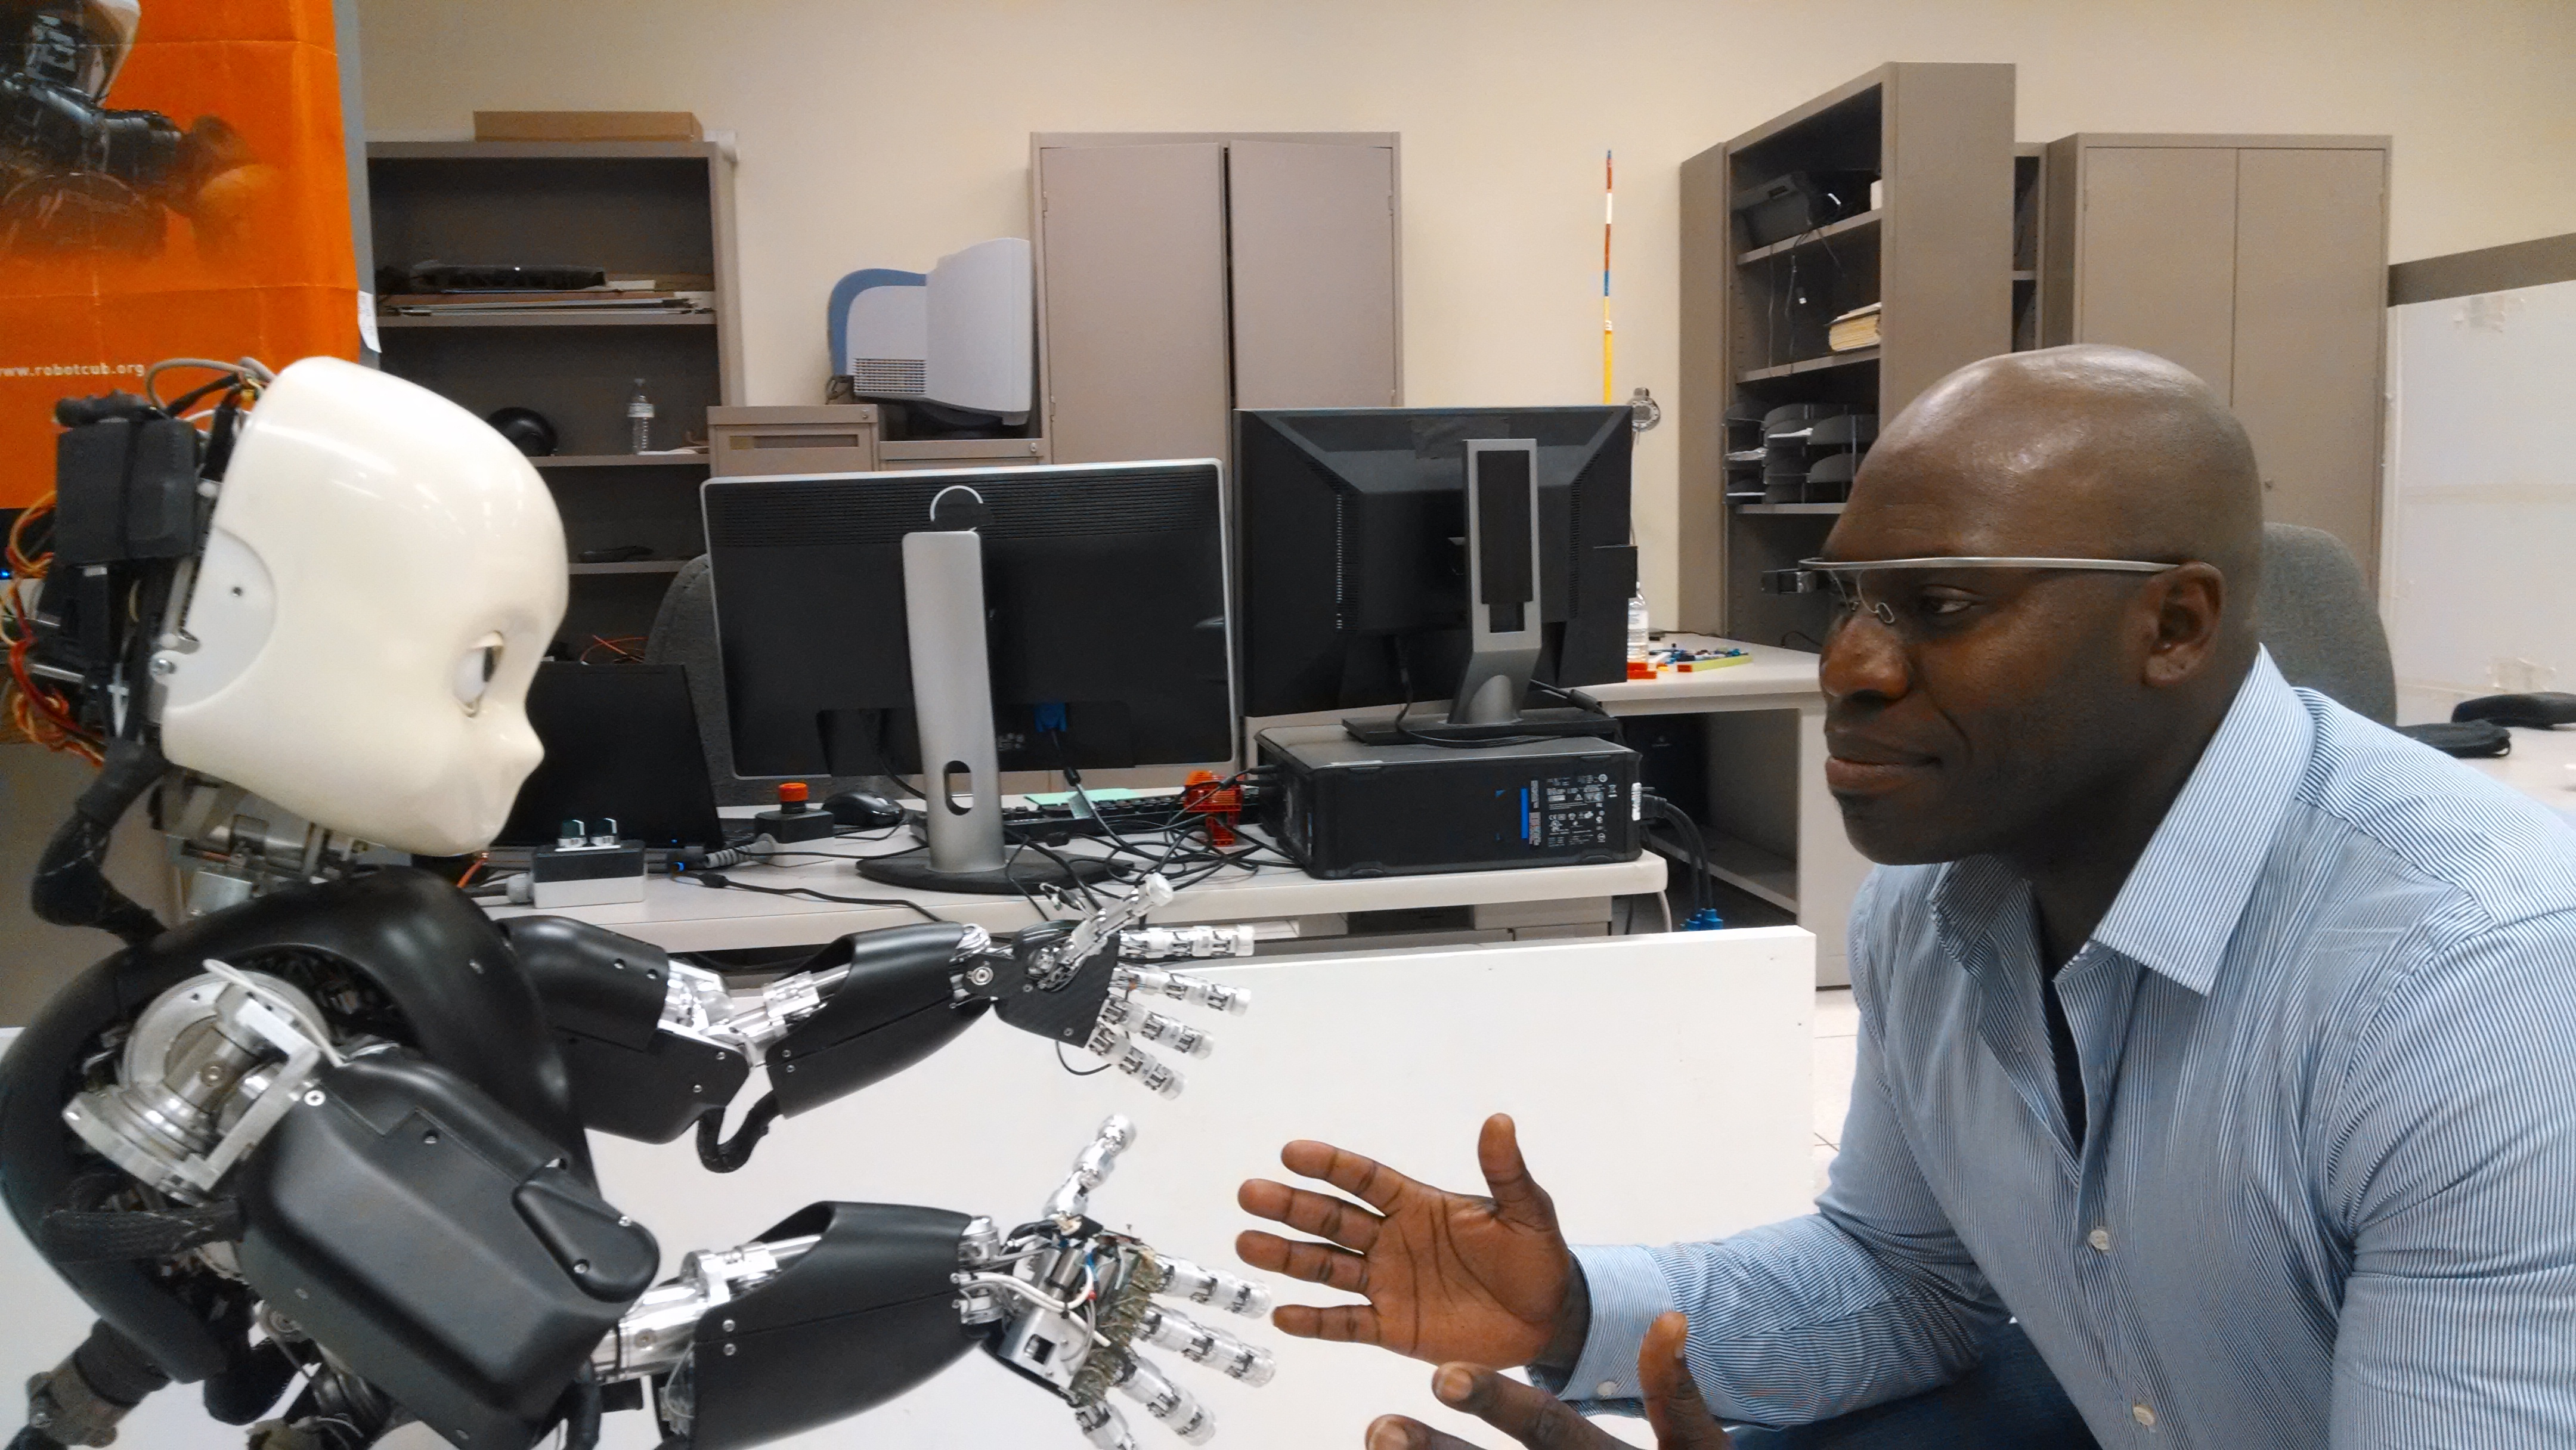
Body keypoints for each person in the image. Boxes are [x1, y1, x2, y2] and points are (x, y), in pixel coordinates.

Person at [1236, 345, 2576, 1449]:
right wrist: (1573, 1308)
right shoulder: (1933, 911)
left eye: (1940, 604)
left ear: (2173, 625)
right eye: (1848, 597)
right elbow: (1909, 1279)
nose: (1852, 665)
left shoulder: (2479, 987)